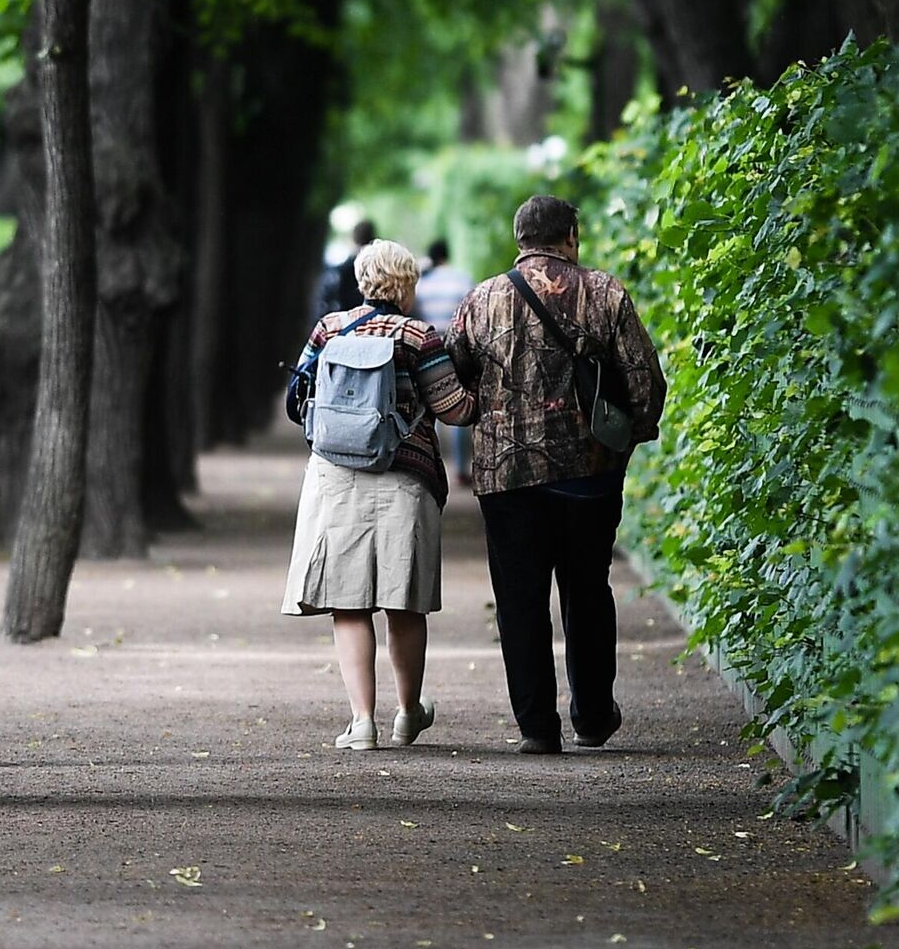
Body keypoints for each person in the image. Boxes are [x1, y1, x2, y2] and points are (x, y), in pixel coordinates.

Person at [447, 195, 662, 755]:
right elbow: (644, 381)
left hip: (506, 476)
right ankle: (592, 716)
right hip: (587, 475)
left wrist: (485, 419)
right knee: (587, 590)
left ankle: (536, 728)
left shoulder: (482, 300)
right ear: (572, 235)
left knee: (518, 599)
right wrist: (622, 442)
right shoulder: (606, 292)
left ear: (519, 239)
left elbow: (452, 376)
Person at [283, 239, 477, 751]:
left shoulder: (329, 329)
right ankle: (408, 714)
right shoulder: (420, 337)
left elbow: (298, 398)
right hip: (404, 479)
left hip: (336, 477)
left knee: (348, 606)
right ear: (408, 285)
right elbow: (454, 408)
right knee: (403, 604)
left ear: (363, 279)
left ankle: (362, 722)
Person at [414, 239, 475, 487]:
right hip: (455, 348)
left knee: (429, 409)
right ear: (447, 255)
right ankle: (460, 468)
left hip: (425, 347)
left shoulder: (421, 284)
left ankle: (433, 461)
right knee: (457, 404)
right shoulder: (462, 279)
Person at [310, 219, 376, 324]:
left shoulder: (341, 270)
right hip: (370, 323)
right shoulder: (378, 270)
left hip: (345, 322)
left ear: (353, 238)